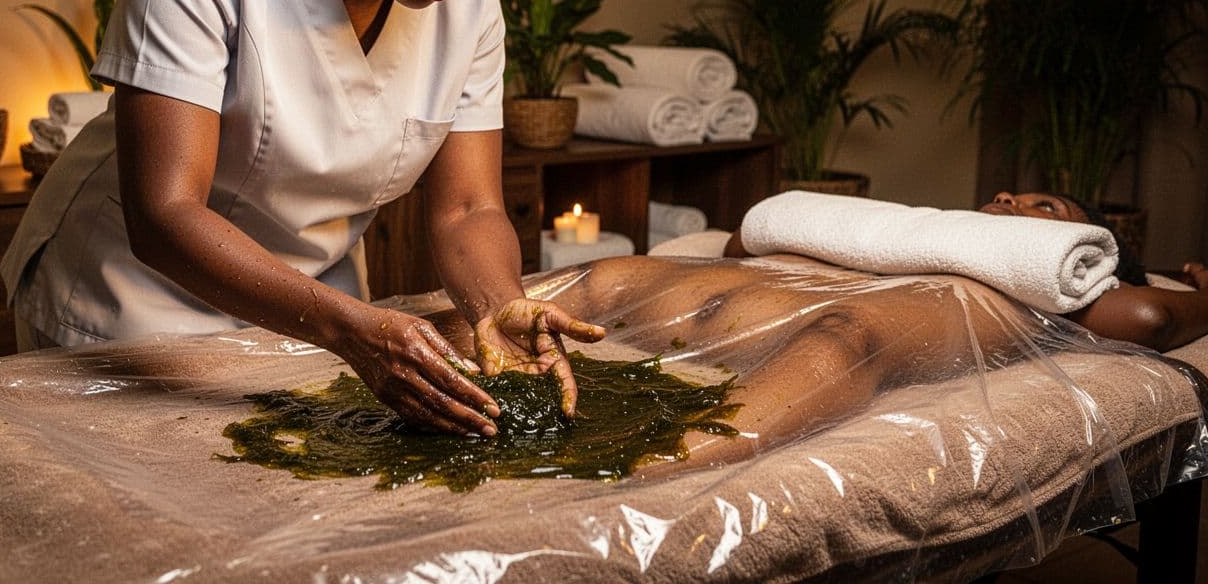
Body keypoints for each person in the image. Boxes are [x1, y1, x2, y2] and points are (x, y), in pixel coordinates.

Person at [0, 0, 604, 440]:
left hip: (317, 309)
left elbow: (469, 208)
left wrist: (498, 306)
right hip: (134, 301)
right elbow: (165, 213)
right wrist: (348, 328)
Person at [430, 191, 1208, 466]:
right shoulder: (894, 242)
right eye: (1010, 195)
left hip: (829, 343)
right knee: (577, 285)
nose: (1010, 202)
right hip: (628, 309)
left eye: (1047, 209)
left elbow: (1151, 313)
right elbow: (747, 241)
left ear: (1080, 257)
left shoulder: (1053, 285)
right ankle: (396, 350)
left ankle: (643, 468)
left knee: (844, 331)